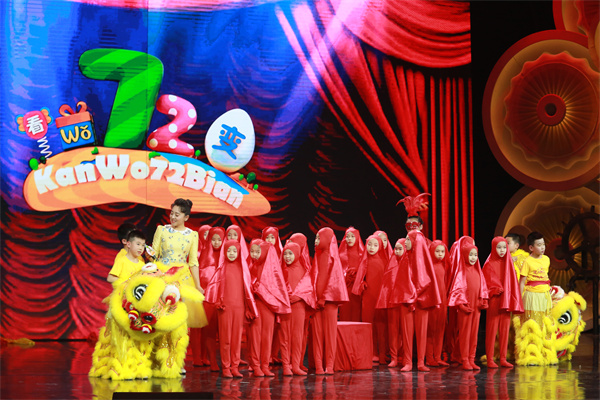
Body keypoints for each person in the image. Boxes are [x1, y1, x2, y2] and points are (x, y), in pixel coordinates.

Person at [205, 240, 258, 378]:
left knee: (236, 339)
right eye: (229, 251)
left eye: (234, 251)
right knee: (225, 339)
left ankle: (234, 367)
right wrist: (218, 302)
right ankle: (226, 367)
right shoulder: (221, 268)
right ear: (225, 252)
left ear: (239, 252)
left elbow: (247, 290)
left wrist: (248, 308)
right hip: (225, 308)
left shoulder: (243, 269)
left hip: (239, 308)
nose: (232, 253)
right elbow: (214, 287)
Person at [394, 230, 441, 372]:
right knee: (407, 333)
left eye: (408, 239)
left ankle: (421, 362)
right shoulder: (405, 259)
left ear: (416, 242)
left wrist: (417, 294)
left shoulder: (425, 262)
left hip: (422, 301)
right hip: (407, 301)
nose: (406, 242)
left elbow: (428, 282)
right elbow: (401, 282)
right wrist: (409, 296)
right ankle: (408, 362)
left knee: (422, 332)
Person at [248, 239, 291, 377]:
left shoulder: (273, 271)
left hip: (268, 308)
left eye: (258, 252)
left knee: (267, 337)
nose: (255, 255)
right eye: (253, 252)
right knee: (255, 337)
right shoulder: (252, 267)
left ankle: (265, 366)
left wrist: (260, 289)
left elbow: (276, 290)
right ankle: (256, 366)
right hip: (256, 307)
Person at [482, 237, 523, 368]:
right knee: (492, 330)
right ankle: (490, 358)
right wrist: (493, 290)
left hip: (506, 300)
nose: (502, 250)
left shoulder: (508, 263)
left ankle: (503, 358)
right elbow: (483, 285)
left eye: (504, 247)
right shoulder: (489, 264)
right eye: (499, 247)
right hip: (494, 300)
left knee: (505, 329)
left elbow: (513, 283)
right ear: (494, 248)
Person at [312, 227, 349, 374]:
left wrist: (324, 297)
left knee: (330, 334)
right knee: (317, 335)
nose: (316, 241)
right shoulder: (317, 256)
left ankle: (329, 365)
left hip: (329, 301)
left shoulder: (333, 258)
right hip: (316, 302)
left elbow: (334, 279)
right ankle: (319, 365)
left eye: (318, 238)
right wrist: (314, 298)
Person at [448, 243, 488, 371]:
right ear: (465, 255)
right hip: (465, 308)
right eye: (470, 255)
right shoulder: (461, 272)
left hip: (476, 308)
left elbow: (482, 289)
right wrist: (461, 306)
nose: (473, 257)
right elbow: (457, 291)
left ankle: (471, 358)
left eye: (475, 255)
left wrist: (482, 301)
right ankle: (464, 359)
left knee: (474, 334)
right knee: (465, 334)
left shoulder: (478, 271)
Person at [279, 242, 316, 375]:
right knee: (284, 336)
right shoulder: (280, 269)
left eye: (290, 254)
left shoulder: (304, 270)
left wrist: (298, 297)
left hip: (299, 306)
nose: (287, 257)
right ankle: (286, 366)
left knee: (297, 336)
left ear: (297, 254)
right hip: (285, 307)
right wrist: (285, 298)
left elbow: (308, 288)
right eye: (285, 254)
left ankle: (295, 365)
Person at [353, 235, 388, 364]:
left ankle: (383, 353)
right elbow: (359, 278)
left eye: (375, 245)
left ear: (380, 246)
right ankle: (372, 352)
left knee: (382, 326)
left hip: (381, 297)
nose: (371, 248)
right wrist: (361, 283)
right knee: (369, 325)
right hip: (368, 297)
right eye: (369, 244)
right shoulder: (365, 261)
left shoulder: (385, 261)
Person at [198, 226, 225, 371]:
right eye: (213, 239)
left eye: (219, 239)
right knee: (209, 331)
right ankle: (212, 361)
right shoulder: (203, 257)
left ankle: (226, 362)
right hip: (208, 300)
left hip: (224, 299)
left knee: (224, 333)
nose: (216, 242)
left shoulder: (228, 256)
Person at [375, 238, 405, 367]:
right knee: (393, 331)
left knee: (404, 332)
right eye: (396, 249)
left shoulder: (409, 264)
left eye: (400, 249)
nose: (397, 251)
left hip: (404, 303)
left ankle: (404, 356)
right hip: (392, 303)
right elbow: (386, 285)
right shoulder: (391, 265)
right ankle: (394, 357)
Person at [519, 232, 551, 329]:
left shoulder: (546, 259)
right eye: (539, 245)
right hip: (532, 295)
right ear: (531, 248)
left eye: (543, 244)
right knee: (533, 323)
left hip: (545, 295)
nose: (543, 247)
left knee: (545, 323)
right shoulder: (527, 261)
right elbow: (522, 282)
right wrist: (519, 300)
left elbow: (545, 277)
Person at [426, 240, 450, 367]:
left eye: (442, 251)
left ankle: (437, 356)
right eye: (437, 251)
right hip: (432, 301)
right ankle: (429, 358)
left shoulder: (444, 265)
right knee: (430, 330)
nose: (440, 254)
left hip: (442, 301)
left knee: (440, 329)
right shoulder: (428, 267)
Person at [338, 227, 364, 322]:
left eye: (352, 236)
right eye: (347, 236)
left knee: (357, 311)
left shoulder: (362, 253)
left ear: (357, 237)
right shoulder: (340, 254)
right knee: (345, 311)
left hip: (357, 288)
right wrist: (345, 276)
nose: (349, 239)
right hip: (345, 286)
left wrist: (358, 276)